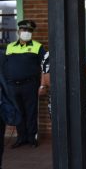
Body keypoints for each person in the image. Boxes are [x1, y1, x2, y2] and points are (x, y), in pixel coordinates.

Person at [3, 20, 46, 148]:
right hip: (12, 86)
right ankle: (21, 138)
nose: (26, 32)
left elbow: (45, 67)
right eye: (24, 30)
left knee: (31, 111)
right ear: (18, 31)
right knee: (17, 112)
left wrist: (43, 85)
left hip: (30, 85)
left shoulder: (38, 47)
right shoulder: (10, 47)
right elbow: (5, 66)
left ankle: (31, 138)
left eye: (29, 31)